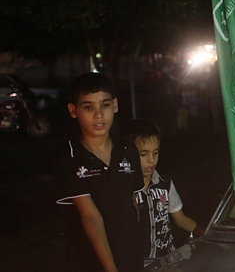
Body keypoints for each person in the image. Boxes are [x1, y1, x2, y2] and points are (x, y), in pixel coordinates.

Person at [53, 72, 147, 272]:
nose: (98, 115)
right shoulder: (69, 156)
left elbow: (133, 204)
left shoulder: (127, 149)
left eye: (104, 105)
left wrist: (136, 251)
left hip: (131, 257)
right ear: (73, 110)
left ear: (115, 105)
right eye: (88, 107)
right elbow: (90, 217)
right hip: (89, 261)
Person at [120, 119, 204, 263]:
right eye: (143, 154)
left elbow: (181, 219)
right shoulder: (122, 187)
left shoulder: (165, 184)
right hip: (138, 263)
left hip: (168, 260)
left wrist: (204, 234)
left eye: (155, 153)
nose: (151, 160)